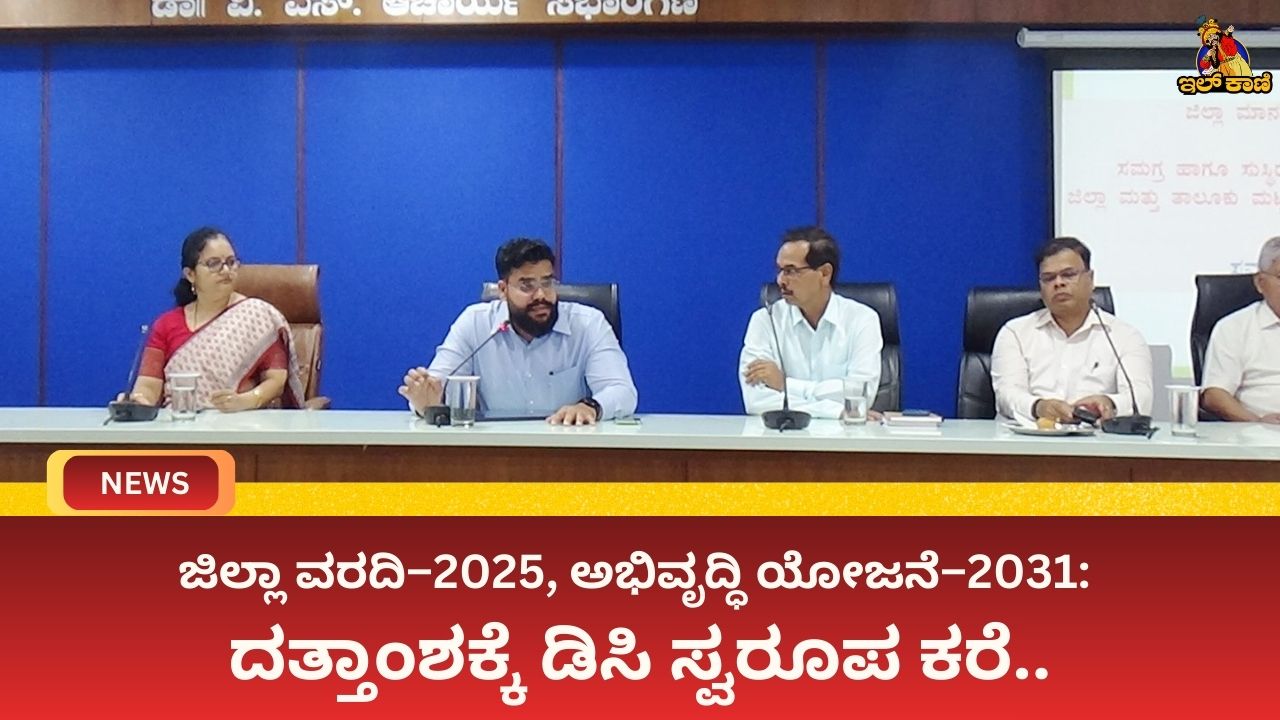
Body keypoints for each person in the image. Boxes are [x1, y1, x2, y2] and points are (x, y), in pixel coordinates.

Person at [399, 238, 637, 425]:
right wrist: (425, 402)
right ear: (503, 290)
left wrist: (590, 407)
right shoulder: (475, 323)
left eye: (547, 283)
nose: (541, 295)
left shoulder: (588, 324)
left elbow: (623, 392)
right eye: (527, 286)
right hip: (494, 455)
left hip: (569, 450)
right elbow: (434, 388)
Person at [123, 227, 304, 411]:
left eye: (231, 262)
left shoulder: (257, 315)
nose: (225, 270)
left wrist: (247, 400)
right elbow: (148, 386)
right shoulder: (166, 324)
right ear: (190, 274)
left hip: (237, 421)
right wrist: (137, 401)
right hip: (179, 422)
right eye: (214, 263)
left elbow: (276, 380)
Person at [991, 237, 1153, 425]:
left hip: (1096, 439)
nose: (1058, 283)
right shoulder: (1015, 333)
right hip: (1027, 437)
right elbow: (1006, 395)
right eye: (1048, 278)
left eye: (1068, 275)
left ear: (1090, 279)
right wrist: (1039, 407)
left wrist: (1109, 403)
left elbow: (1141, 399)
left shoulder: (1125, 336)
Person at [739, 226, 883, 419]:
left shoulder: (862, 319)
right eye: (780, 270)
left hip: (845, 435)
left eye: (791, 271)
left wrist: (785, 385)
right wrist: (835, 411)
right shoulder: (765, 320)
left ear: (824, 273)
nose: (780, 280)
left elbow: (861, 395)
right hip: (783, 434)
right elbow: (757, 401)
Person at [1201, 237, 1280, 423]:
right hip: (1257, 433)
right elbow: (1215, 394)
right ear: (1260, 282)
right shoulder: (1234, 327)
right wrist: (1257, 423)